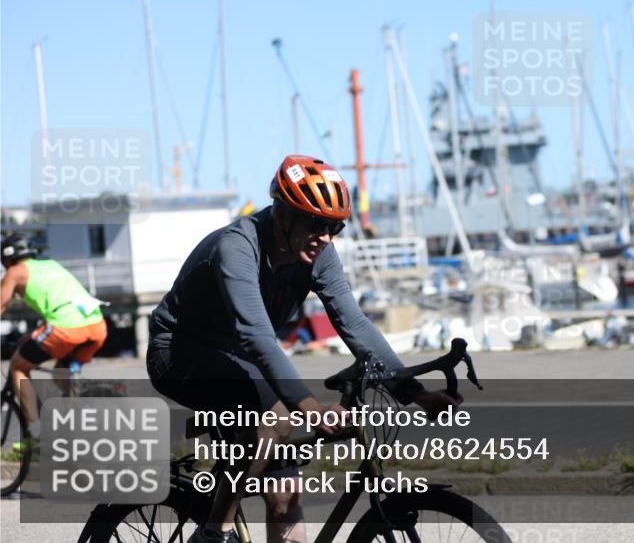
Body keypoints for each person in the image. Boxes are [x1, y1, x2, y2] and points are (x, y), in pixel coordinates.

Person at [146, 155, 460, 543]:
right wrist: (308, 407)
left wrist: (416, 394)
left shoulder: (319, 255)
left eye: (335, 227)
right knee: (277, 417)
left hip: (243, 364)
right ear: (282, 211)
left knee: (285, 494)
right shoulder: (237, 248)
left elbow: (354, 323)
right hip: (178, 353)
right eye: (315, 223)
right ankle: (214, 532)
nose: (325, 236)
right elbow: (258, 338)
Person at [0, 232, 108, 445]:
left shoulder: (15, 271)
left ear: (8, 258)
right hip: (97, 325)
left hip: (65, 328)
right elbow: (63, 301)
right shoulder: (51, 265)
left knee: (18, 367)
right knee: (60, 374)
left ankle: (36, 431)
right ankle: (75, 430)